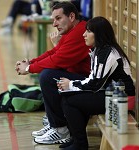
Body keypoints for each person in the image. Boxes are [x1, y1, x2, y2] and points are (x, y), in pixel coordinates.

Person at [15, 1, 91, 145]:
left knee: (47, 76)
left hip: (88, 82)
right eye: (53, 19)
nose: (54, 24)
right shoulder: (73, 31)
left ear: (72, 16)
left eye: (58, 18)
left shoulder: (80, 32)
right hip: (80, 78)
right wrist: (31, 62)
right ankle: (55, 123)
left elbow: (57, 60)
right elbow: (54, 52)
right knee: (47, 74)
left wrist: (29, 69)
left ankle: (60, 128)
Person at [57, 16, 135, 150]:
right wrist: (71, 85)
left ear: (98, 34)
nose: (84, 34)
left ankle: (80, 144)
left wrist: (71, 85)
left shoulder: (107, 53)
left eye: (88, 31)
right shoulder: (100, 50)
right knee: (70, 96)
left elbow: (95, 84)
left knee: (69, 100)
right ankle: (77, 140)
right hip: (111, 94)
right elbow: (92, 78)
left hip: (121, 99)